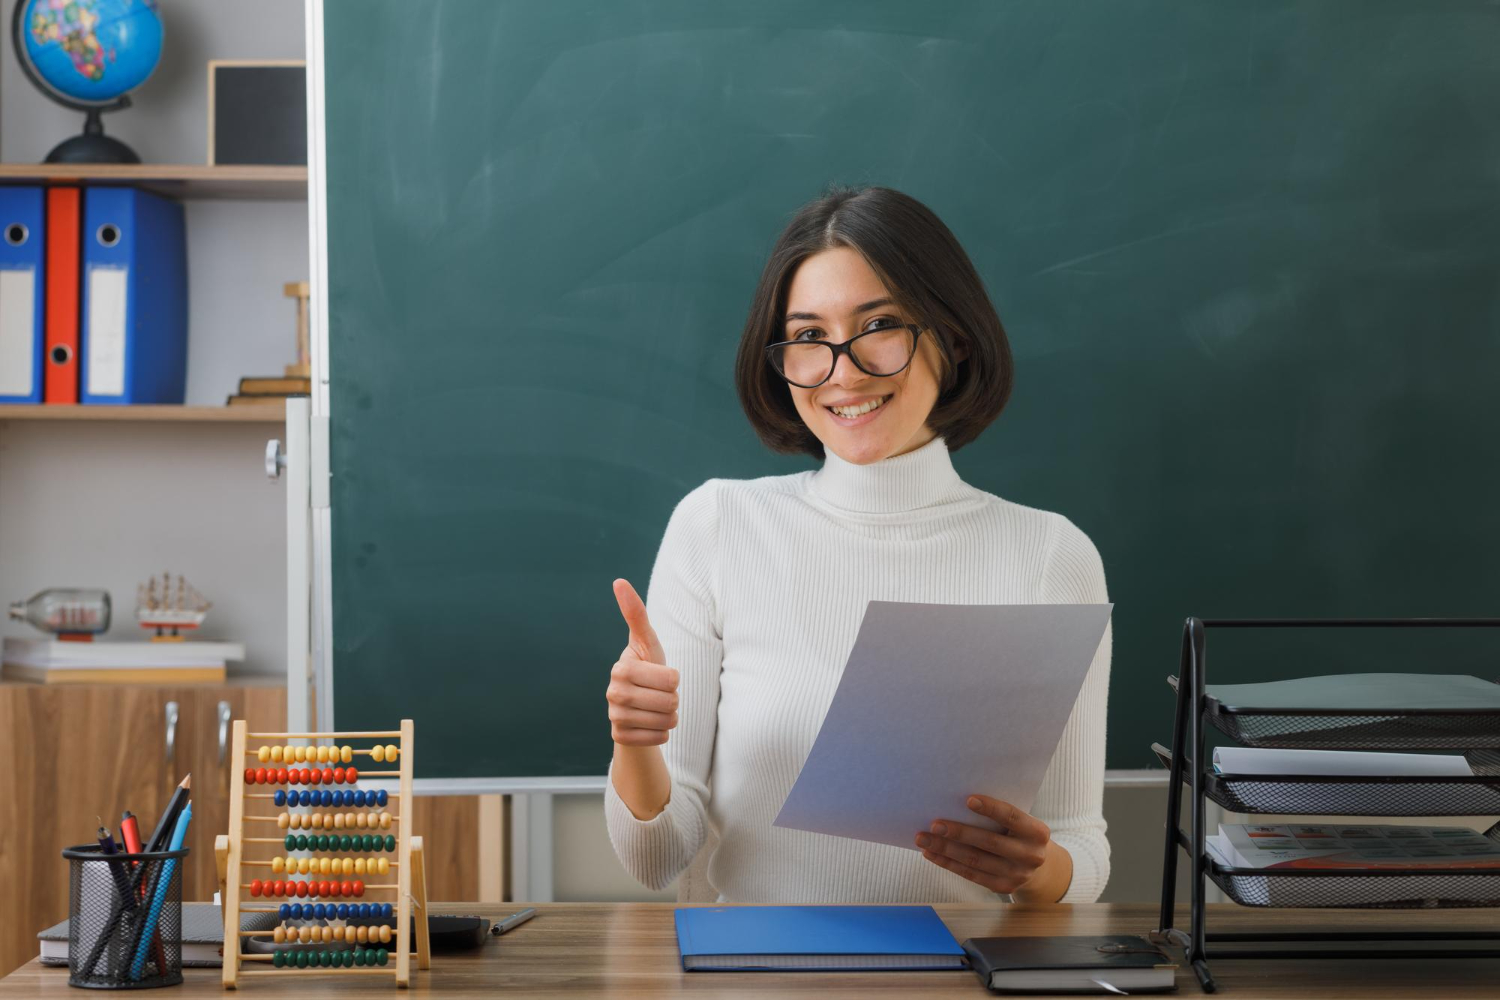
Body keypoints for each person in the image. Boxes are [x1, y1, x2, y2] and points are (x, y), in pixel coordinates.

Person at [604, 186, 1110, 904]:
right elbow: (656, 861)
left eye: (879, 325)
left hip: (963, 978)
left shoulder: (1048, 554)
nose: (842, 371)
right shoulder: (718, 525)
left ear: (954, 337)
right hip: (756, 977)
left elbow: (1081, 849)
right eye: (808, 336)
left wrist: (1042, 872)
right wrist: (636, 745)